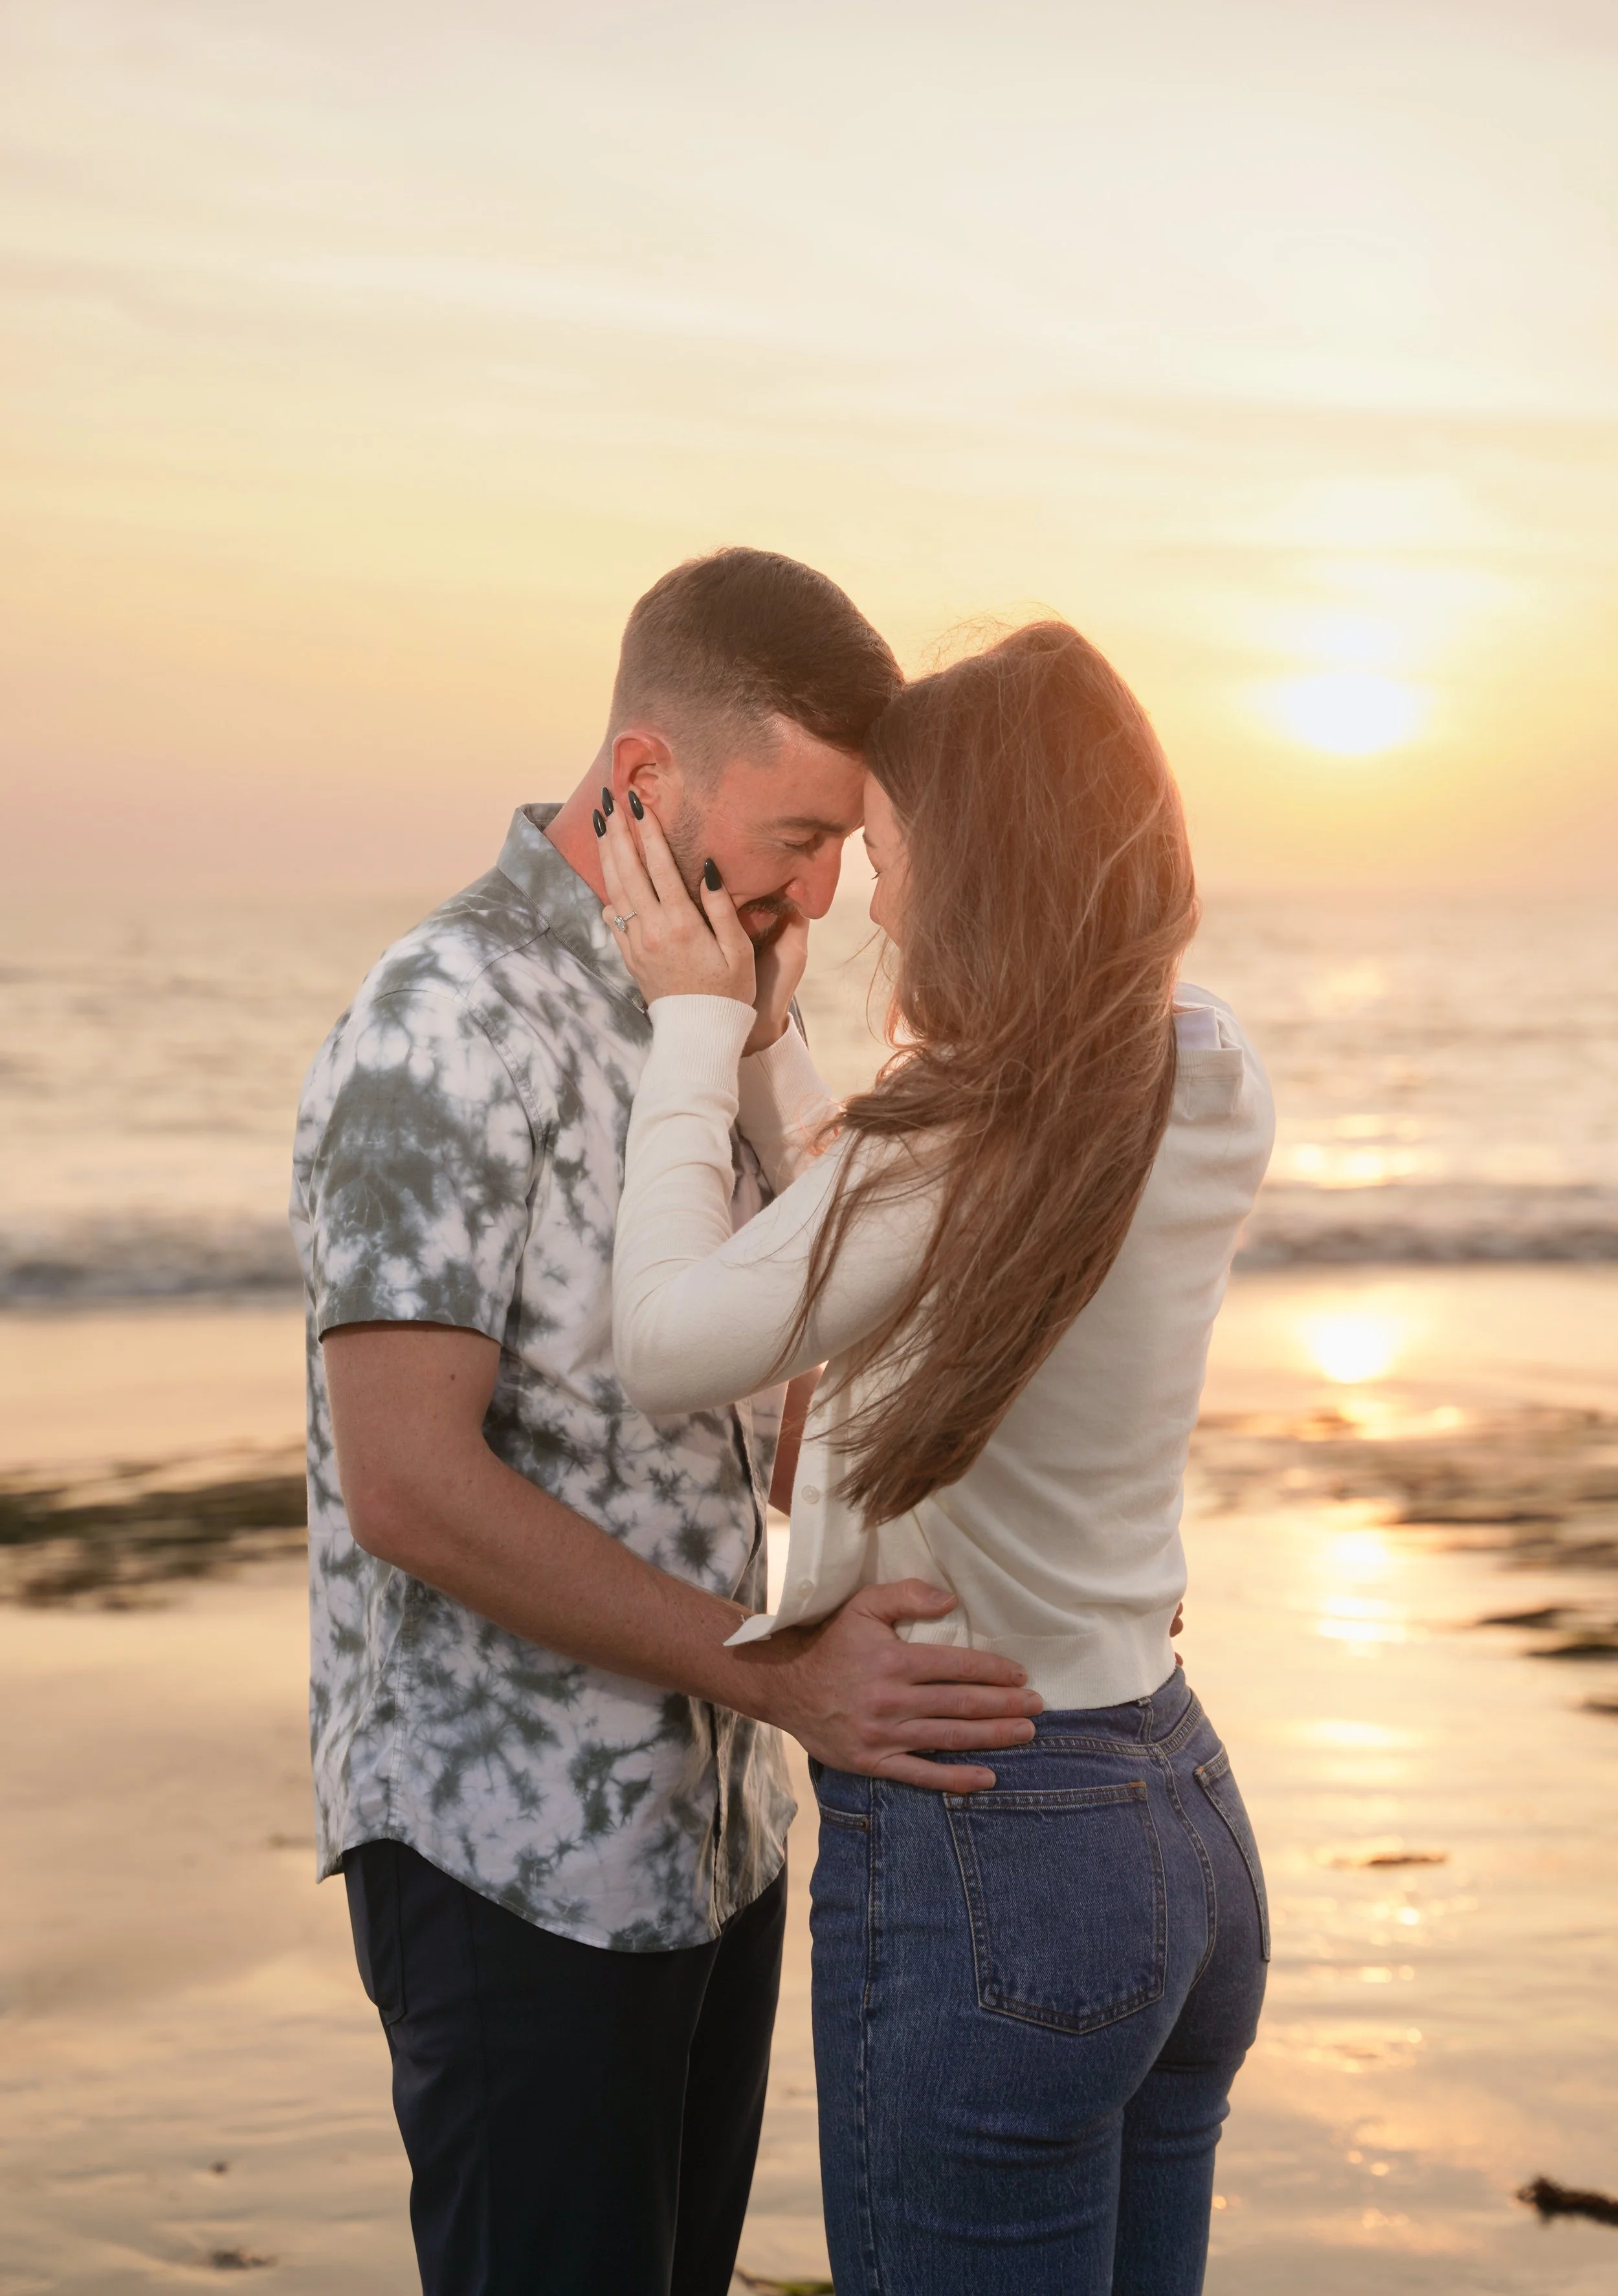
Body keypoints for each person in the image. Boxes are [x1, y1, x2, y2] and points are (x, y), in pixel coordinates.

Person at [289, 549, 1045, 2296]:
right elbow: (406, 1482)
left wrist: (767, 1071)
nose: (833, 891)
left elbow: (801, 1431)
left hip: (710, 1835)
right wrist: (775, 1669)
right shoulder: (444, 1021)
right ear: (644, 778)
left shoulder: (699, 1002)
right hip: (511, 1861)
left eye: (851, 849)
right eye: (800, 838)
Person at [601, 617, 1277, 2296]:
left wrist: (693, 1025)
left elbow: (673, 1331)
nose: (878, 905)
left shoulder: (961, 1138)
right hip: (1174, 1815)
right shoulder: (1205, 1073)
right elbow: (882, 1209)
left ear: (976, 870)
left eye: (893, 859)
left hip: (999, 1846)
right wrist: (771, 1050)